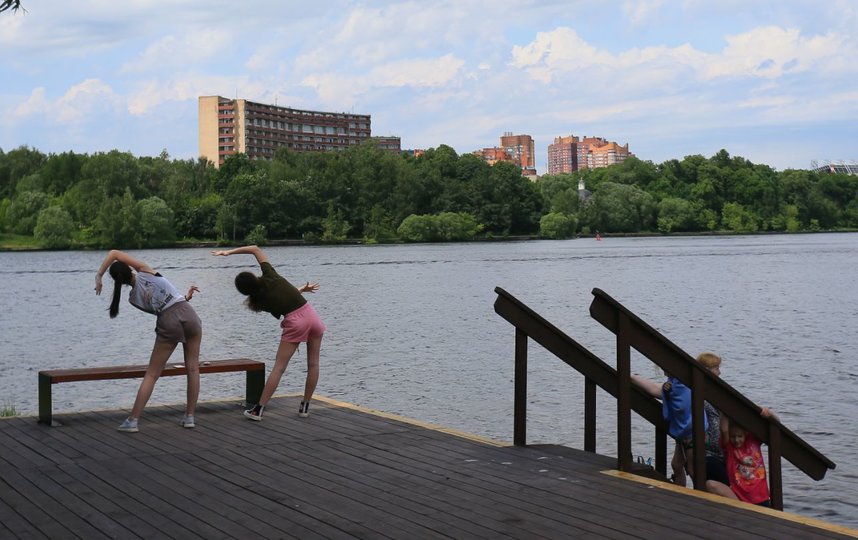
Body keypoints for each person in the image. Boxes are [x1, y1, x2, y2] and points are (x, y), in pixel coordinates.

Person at [211, 245, 324, 421]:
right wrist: (228, 252)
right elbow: (255, 249)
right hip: (311, 314)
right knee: (313, 365)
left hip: (295, 321)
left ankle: (258, 410)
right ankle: (305, 407)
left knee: (279, 368)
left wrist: (299, 290)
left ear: (244, 292)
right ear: (254, 276)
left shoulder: (258, 302)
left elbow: (284, 302)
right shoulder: (270, 275)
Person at [94, 250, 202, 433]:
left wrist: (98, 277)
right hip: (189, 314)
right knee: (193, 368)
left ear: (118, 281)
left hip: (169, 321)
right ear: (130, 268)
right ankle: (190, 416)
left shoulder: (132, 299)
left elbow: (163, 309)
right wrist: (99, 274)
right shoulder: (145, 270)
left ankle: (133, 420)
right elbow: (114, 253)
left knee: (152, 374)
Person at [631, 351, 724, 486]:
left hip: (693, 432)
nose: (720, 372)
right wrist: (632, 377)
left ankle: (701, 496)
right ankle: (681, 491)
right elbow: (655, 389)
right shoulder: (677, 384)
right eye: (717, 368)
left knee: (693, 469)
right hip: (686, 432)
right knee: (677, 465)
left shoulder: (693, 383)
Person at [706, 408, 778, 507]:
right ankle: (741, 509)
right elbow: (724, 429)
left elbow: (776, 429)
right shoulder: (729, 447)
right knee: (710, 485)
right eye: (733, 436)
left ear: (746, 434)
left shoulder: (754, 441)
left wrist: (771, 415)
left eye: (740, 436)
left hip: (760, 497)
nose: (736, 440)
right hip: (739, 498)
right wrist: (726, 408)